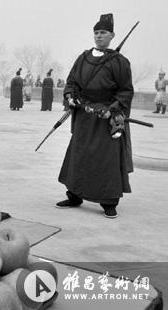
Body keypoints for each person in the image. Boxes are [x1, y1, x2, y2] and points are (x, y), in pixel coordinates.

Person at [56, 13, 134, 219]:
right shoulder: (83, 58)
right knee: (79, 155)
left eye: (104, 33)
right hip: (83, 115)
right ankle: (74, 195)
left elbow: (126, 91)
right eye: (96, 33)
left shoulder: (119, 62)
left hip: (105, 118)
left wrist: (113, 109)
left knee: (105, 159)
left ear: (112, 35)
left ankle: (108, 202)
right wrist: (70, 95)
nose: (99, 36)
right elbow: (72, 81)